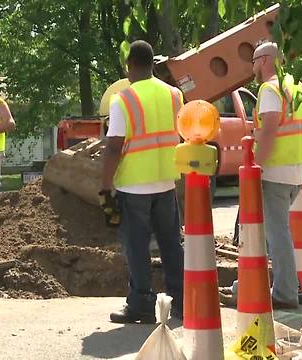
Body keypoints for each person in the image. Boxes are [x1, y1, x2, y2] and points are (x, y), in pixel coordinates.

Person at [220, 42, 302, 308]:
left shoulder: (270, 89)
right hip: (295, 169)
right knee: (261, 232)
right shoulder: (296, 86)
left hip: (275, 171)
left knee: (276, 233)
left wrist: (255, 168)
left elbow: (271, 129)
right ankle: (246, 285)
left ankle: (285, 293)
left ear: (263, 61)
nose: (252, 68)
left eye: (253, 62)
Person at [101, 40, 184, 323]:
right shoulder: (174, 95)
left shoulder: (123, 99)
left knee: (136, 246)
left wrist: (104, 183)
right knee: (171, 243)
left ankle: (141, 303)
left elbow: (114, 147)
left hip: (134, 184)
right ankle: (181, 300)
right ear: (152, 64)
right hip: (166, 181)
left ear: (129, 66)